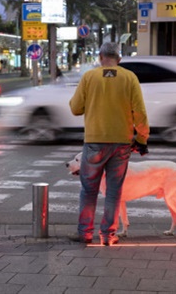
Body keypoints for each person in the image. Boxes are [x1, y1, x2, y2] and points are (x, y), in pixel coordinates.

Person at [68, 42, 150, 246]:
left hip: (95, 142)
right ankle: (108, 235)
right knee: (114, 191)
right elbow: (139, 111)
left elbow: (76, 108)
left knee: (89, 190)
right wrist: (142, 139)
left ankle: (85, 233)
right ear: (119, 59)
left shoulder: (89, 77)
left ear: (100, 57)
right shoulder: (129, 77)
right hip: (121, 143)